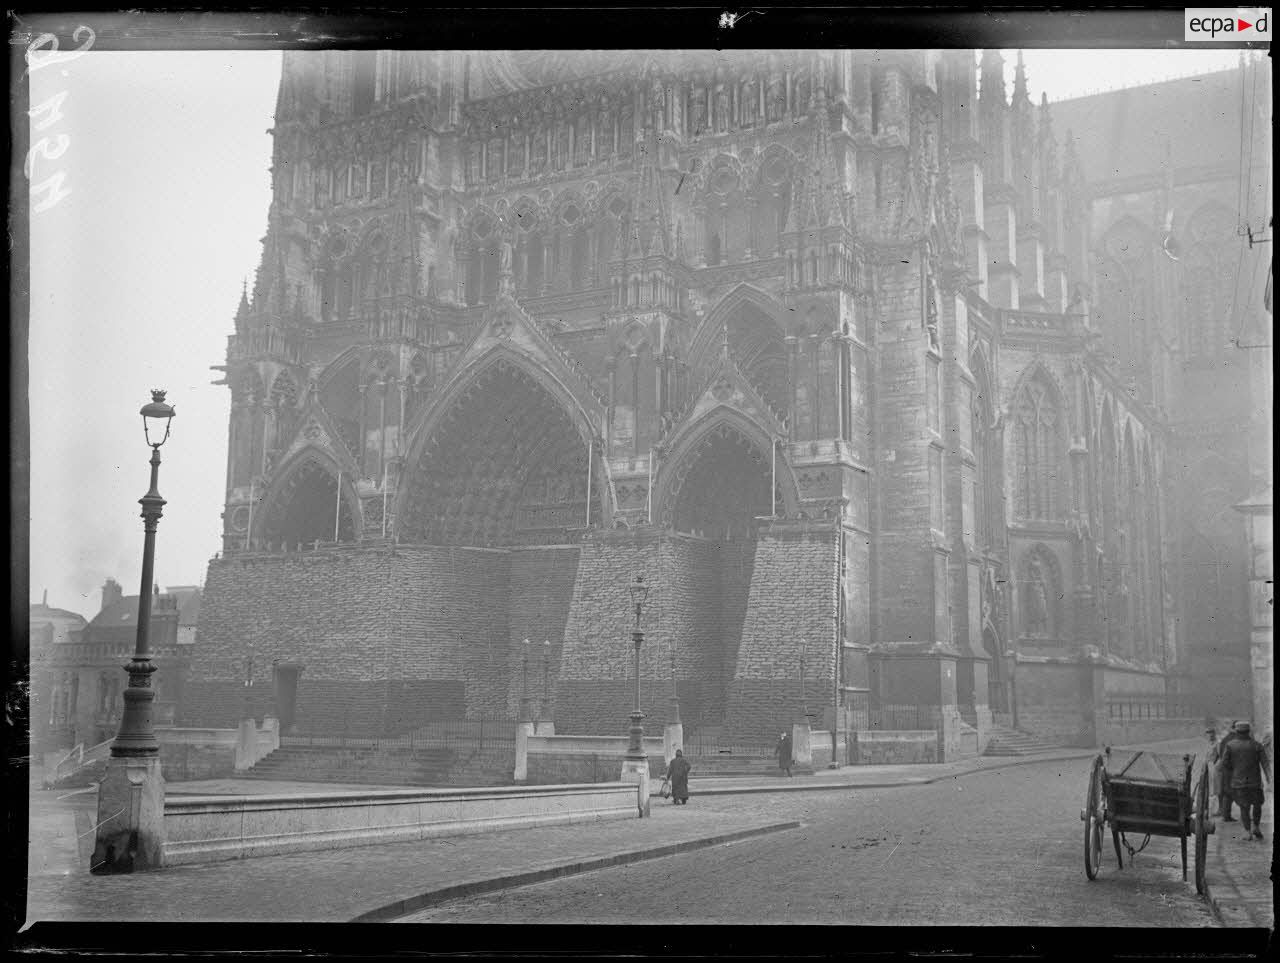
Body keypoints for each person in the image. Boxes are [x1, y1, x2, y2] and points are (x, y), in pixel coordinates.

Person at [1220, 720, 1273, 841]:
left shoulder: (1230, 745)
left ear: (1237, 731)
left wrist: (1234, 771)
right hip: (1255, 782)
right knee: (1257, 804)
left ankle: (1247, 832)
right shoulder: (1257, 745)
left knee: (1244, 807)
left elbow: (1224, 764)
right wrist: (1270, 779)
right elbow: (1265, 764)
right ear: (1248, 731)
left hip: (1238, 782)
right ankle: (1256, 827)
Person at [1216, 721, 1240, 821]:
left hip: (1225, 770)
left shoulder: (1225, 739)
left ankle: (1226, 815)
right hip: (1235, 770)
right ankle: (1242, 814)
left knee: (1227, 792)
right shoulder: (1237, 739)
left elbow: (1221, 755)